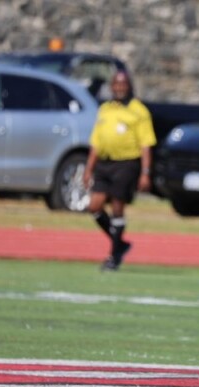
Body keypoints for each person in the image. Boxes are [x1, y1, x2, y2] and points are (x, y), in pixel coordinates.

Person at [82, 71, 157, 271]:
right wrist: (88, 169)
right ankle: (120, 243)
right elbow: (95, 143)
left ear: (129, 86)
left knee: (117, 207)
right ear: (112, 86)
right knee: (94, 206)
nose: (119, 87)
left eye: (123, 84)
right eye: (116, 84)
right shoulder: (105, 109)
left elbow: (146, 145)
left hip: (126, 164)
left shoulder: (138, 111)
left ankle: (113, 256)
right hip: (104, 163)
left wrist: (145, 172)